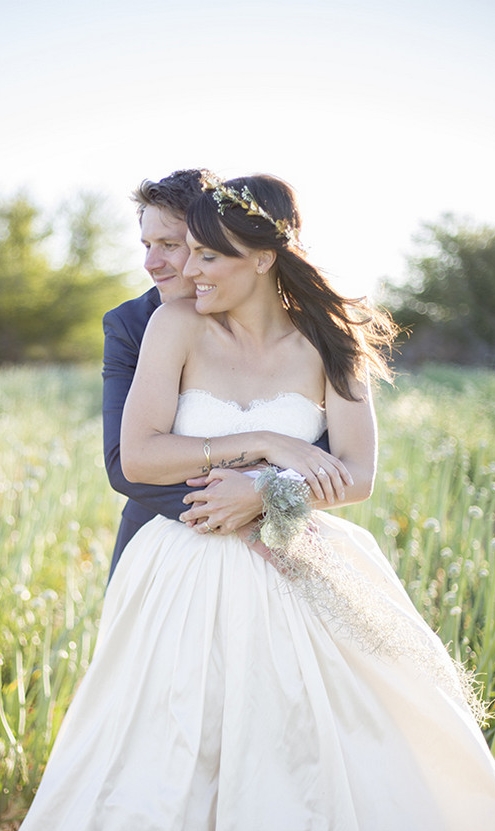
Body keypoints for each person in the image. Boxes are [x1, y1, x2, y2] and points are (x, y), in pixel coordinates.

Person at [0, 173, 495, 831]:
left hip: (292, 566)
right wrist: (270, 448)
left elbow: (354, 476)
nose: (186, 270)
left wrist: (266, 494)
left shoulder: (331, 344)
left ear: (263, 257)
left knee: (304, 761)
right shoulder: (173, 327)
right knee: (165, 757)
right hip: (182, 571)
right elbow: (137, 456)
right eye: (185, 251)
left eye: (208, 254)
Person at [102, 169, 329, 578]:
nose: (152, 264)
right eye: (147, 245)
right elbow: (124, 463)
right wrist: (236, 509)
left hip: (290, 549)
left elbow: (327, 453)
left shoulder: (311, 337)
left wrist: (266, 492)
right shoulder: (132, 325)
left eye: (171, 245)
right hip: (167, 545)